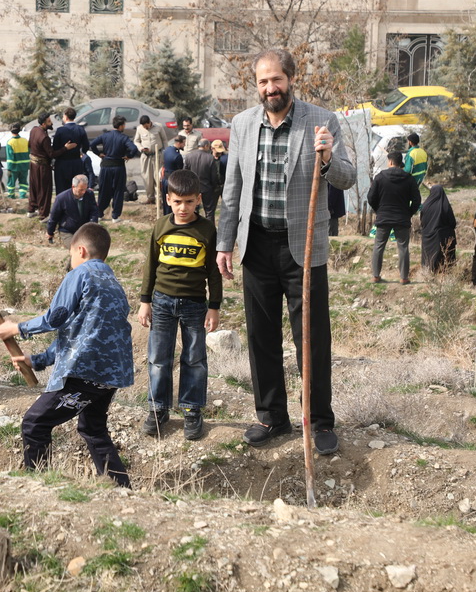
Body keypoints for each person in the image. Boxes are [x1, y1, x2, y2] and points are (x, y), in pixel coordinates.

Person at [215, 48, 355, 454]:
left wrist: (327, 159)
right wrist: (225, 243)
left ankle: (320, 421)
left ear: (291, 79)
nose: (270, 88)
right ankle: (271, 416)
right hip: (256, 245)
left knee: (311, 338)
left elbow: (347, 178)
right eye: (263, 81)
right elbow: (232, 190)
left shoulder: (321, 121)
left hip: (304, 248)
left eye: (276, 79)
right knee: (261, 337)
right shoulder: (243, 124)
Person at [0, 223, 133, 488]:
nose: (71, 261)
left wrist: (18, 328)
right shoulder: (113, 283)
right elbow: (81, 331)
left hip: (85, 371)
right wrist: (37, 360)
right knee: (93, 429)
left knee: (35, 423)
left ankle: (38, 486)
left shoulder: (80, 275)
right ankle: (121, 489)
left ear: (80, 250)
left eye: (71, 255)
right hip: (111, 375)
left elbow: (56, 318)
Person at [139, 169, 221, 441]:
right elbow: (151, 264)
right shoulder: (161, 226)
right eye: (177, 202)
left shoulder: (206, 230)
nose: (183, 208)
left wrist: (214, 306)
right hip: (162, 302)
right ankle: (158, 408)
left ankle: (192, 409)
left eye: (188, 202)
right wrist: (145, 301)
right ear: (168, 199)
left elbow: (213, 272)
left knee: (194, 359)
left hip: (195, 304)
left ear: (198, 199)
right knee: (158, 358)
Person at [367, 149, 421, 284]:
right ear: (400, 162)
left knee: (379, 246)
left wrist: (379, 210)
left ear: (390, 162)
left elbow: (371, 197)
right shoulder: (409, 179)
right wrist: (408, 213)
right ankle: (404, 277)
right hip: (402, 218)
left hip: (383, 217)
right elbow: (417, 200)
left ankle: (375, 276)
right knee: (403, 247)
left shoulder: (380, 177)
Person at [90, 115, 140, 223]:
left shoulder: (105, 135)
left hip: (106, 166)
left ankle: (99, 214)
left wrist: (98, 153)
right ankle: (115, 216)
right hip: (118, 166)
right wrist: (129, 156)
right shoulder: (123, 138)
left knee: (104, 190)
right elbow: (134, 148)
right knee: (118, 190)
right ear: (121, 126)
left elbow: (92, 144)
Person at [46, 174, 99, 246]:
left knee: (88, 247)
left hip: (84, 229)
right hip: (67, 230)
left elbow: (94, 211)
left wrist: (92, 225)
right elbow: (54, 217)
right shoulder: (61, 198)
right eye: (81, 190)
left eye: (85, 189)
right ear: (73, 187)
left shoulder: (89, 194)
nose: (83, 192)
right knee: (75, 248)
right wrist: (50, 232)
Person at [51, 107, 88, 198]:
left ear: (66, 117)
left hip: (62, 163)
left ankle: (62, 205)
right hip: (76, 162)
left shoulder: (60, 130)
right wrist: (81, 153)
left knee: (61, 188)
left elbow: (55, 148)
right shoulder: (80, 129)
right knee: (75, 187)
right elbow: (86, 146)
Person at [420, 185, 457, 274]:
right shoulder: (445, 206)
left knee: (429, 259)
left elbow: (422, 222)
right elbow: (452, 222)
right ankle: (445, 273)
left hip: (428, 237)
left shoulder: (425, 205)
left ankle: (429, 273)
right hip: (443, 237)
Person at [184, 138, 222, 221]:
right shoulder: (210, 158)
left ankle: (194, 226)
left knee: (193, 210)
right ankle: (209, 227)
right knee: (209, 211)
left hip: (193, 188)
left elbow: (185, 173)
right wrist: (214, 187)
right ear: (206, 146)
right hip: (206, 188)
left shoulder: (189, 156)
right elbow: (214, 176)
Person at [134, 114, 169, 205]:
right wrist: (141, 148)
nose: (145, 128)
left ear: (149, 122)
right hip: (146, 156)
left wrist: (166, 153)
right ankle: (150, 198)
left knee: (158, 177)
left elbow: (164, 140)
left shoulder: (158, 127)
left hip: (157, 155)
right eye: (144, 127)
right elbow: (136, 141)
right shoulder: (139, 129)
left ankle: (159, 198)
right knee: (147, 178)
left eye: (146, 126)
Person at [28, 112, 54, 220]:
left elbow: (29, 144)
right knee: (44, 190)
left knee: (34, 188)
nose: (51, 123)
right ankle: (43, 215)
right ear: (43, 124)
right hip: (42, 167)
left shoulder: (34, 130)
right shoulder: (44, 137)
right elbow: (51, 154)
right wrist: (65, 148)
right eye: (49, 121)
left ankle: (31, 210)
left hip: (33, 164)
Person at [160, 135, 185, 216]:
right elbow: (180, 170)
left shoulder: (167, 150)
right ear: (179, 143)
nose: (184, 145)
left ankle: (166, 217)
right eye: (183, 143)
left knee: (166, 202)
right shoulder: (177, 156)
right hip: (173, 181)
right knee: (173, 202)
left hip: (165, 180)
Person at [4, 123, 30, 200]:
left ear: (11, 131)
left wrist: (9, 168)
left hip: (14, 167)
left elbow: (10, 158)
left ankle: (11, 196)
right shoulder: (25, 141)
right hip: (24, 166)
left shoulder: (10, 142)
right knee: (23, 182)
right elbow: (28, 152)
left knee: (11, 183)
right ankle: (22, 196)